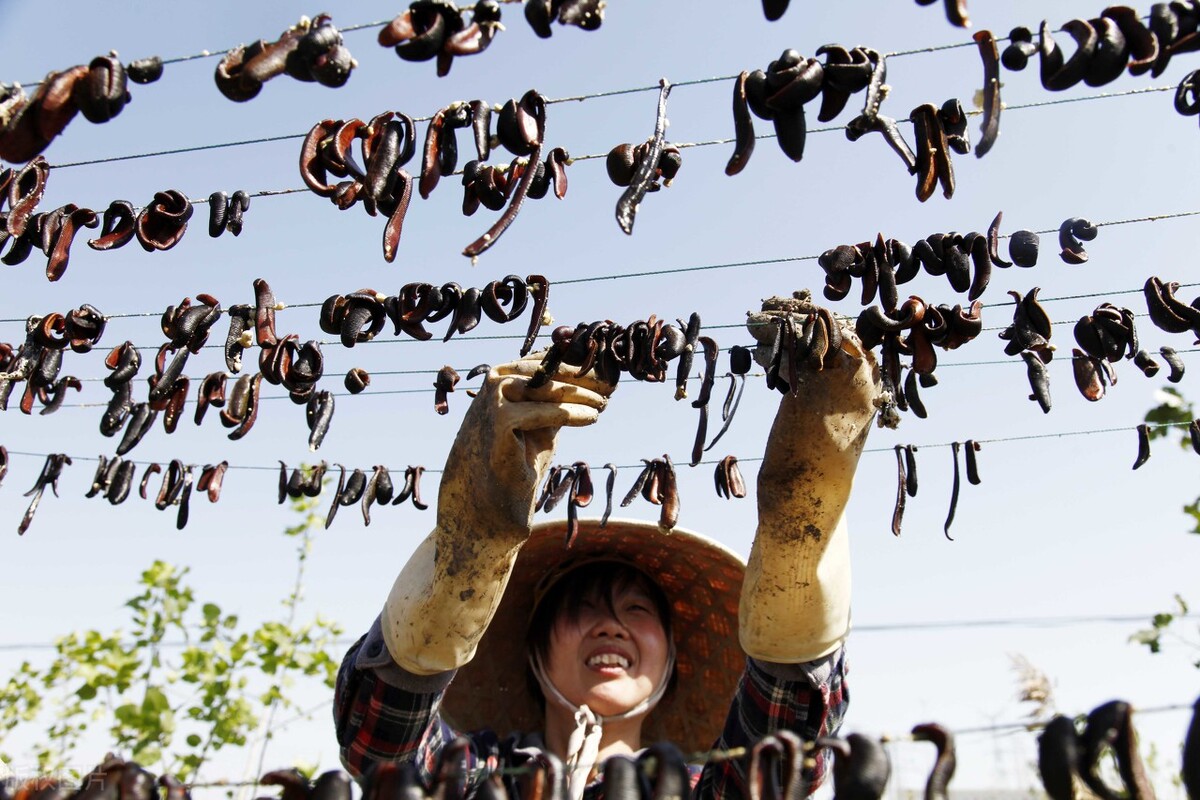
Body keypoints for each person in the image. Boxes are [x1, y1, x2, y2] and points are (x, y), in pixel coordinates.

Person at [334, 317, 881, 799]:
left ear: (670, 655)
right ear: (535, 649)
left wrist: (799, 550)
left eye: (637, 611)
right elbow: (384, 748)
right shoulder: (476, 780)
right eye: (583, 607)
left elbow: (784, 752)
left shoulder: (704, 792)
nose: (611, 626)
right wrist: (465, 559)